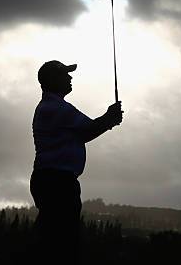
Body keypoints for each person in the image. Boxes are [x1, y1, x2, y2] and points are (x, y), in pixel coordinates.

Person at [29, 60, 123, 264]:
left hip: (51, 179)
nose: (70, 78)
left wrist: (108, 121)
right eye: (65, 74)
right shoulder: (56, 108)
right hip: (57, 181)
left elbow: (84, 133)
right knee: (61, 243)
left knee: (52, 239)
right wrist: (109, 118)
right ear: (52, 80)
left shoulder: (52, 107)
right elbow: (89, 129)